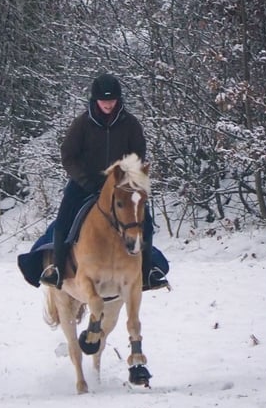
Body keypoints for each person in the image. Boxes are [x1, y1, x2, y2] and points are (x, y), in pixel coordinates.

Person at [40, 73, 169, 291]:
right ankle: (58, 270)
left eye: (112, 100)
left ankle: (148, 272)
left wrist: (125, 180)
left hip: (121, 186)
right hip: (84, 183)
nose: (108, 104)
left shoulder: (130, 124)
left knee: (144, 222)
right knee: (63, 222)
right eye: (104, 100)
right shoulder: (82, 124)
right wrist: (84, 180)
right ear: (95, 100)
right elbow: (68, 156)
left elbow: (137, 155)